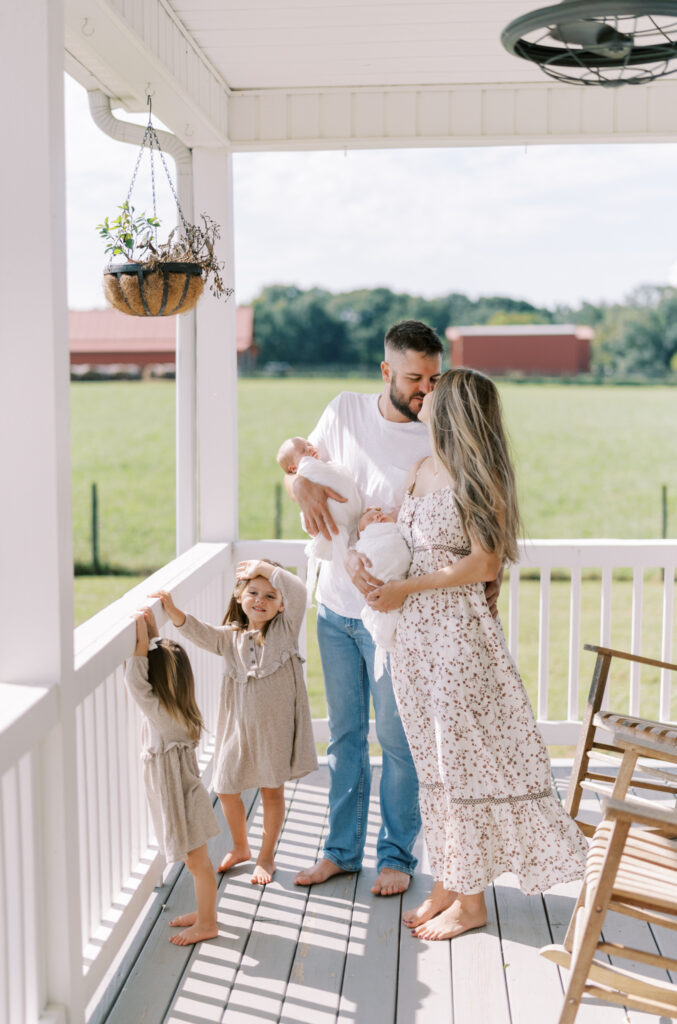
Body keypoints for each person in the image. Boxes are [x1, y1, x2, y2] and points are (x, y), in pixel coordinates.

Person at [367, 369, 588, 940]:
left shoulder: (475, 473)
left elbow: (484, 564)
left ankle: (472, 903)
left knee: (460, 765)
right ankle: (448, 880)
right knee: (432, 768)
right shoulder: (421, 468)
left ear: (456, 404)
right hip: (414, 640)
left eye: (436, 384)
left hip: (457, 640)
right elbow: (417, 548)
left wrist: (406, 590)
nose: (426, 389)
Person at [283, 319, 446, 896]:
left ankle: (397, 855)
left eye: (432, 375)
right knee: (346, 736)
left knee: (397, 739)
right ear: (386, 371)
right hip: (335, 607)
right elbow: (300, 464)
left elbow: (444, 521)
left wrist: (392, 525)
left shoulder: (438, 434)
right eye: (412, 377)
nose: (425, 388)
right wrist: (297, 484)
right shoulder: (345, 411)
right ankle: (340, 851)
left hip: (393, 616)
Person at [150, 559, 318, 886]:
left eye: (271, 596)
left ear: (282, 604)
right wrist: (174, 613)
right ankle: (241, 846)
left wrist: (264, 568)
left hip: (275, 730)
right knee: (226, 787)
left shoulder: (286, 630)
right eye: (253, 592)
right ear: (240, 595)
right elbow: (202, 633)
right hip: (238, 731)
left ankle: (266, 856)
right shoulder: (230, 638)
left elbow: (298, 590)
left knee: (272, 791)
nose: (261, 600)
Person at [125, 608, 220, 946]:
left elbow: (135, 684)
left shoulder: (162, 717)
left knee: (197, 864)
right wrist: (149, 638)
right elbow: (146, 681)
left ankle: (208, 922)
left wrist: (140, 643)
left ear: (157, 684)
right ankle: (205, 912)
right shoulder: (179, 709)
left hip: (182, 801)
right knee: (200, 863)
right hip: (185, 795)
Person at [354, 507, 411, 653]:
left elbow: (400, 556)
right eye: (370, 518)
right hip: (337, 603)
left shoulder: (396, 531)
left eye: (379, 515)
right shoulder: (367, 540)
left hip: (399, 596)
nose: (378, 517)